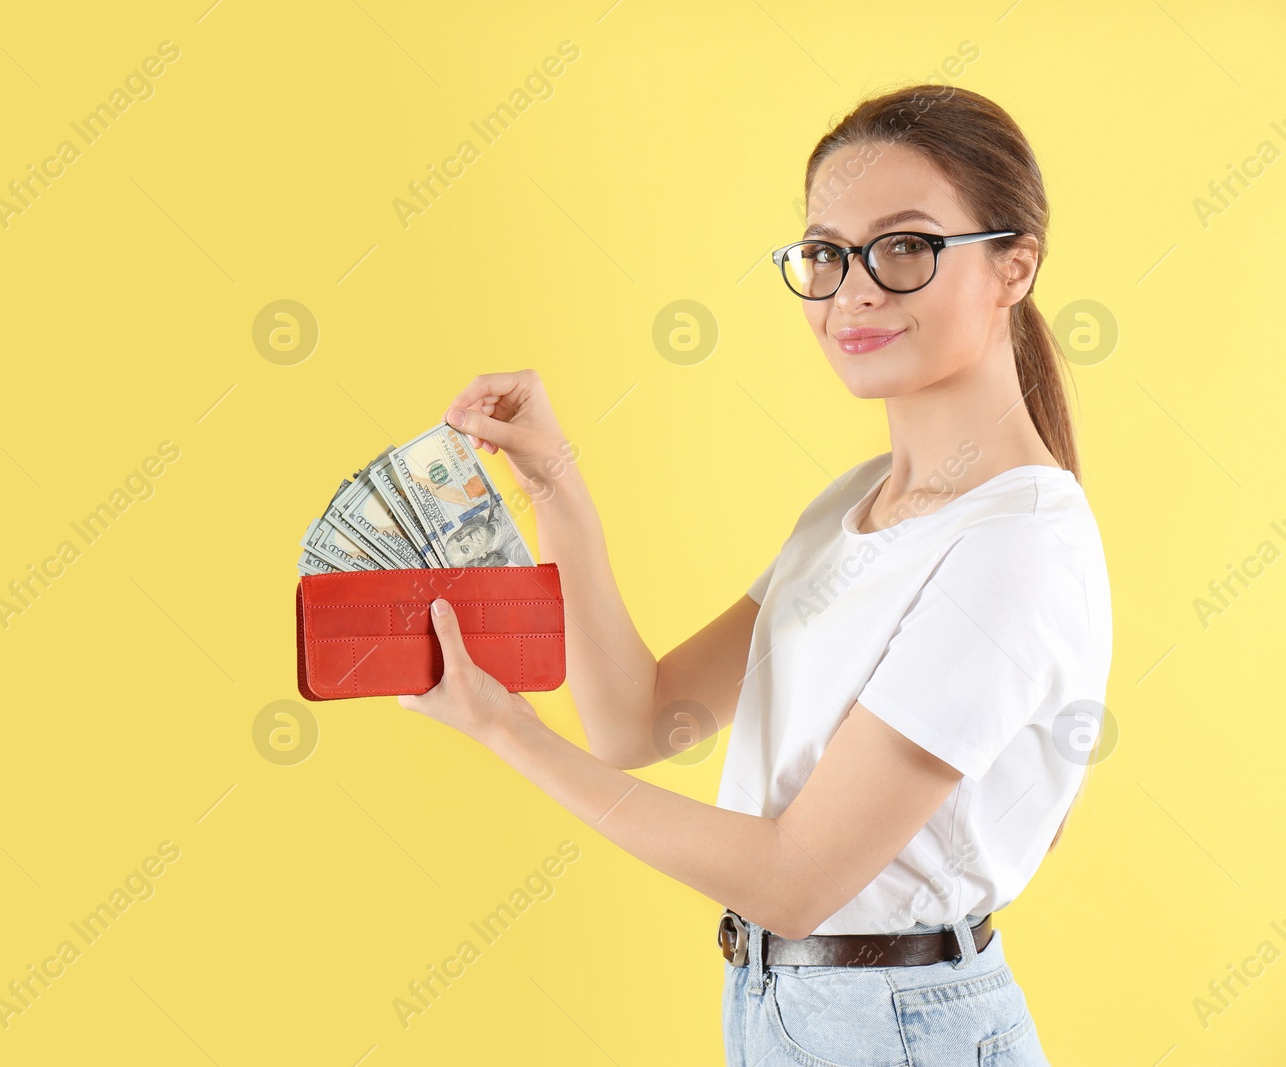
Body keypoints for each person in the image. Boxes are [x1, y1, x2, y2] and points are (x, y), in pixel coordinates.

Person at [395, 83, 1109, 1066]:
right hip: (784, 1006)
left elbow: (793, 876)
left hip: (901, 1026)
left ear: (1012, 266)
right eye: (825, 252)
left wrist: (499, 724)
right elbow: (638, 720)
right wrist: (552, 480)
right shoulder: (852, 506)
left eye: (905, 247)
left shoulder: (1015, 545)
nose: (853, 289)